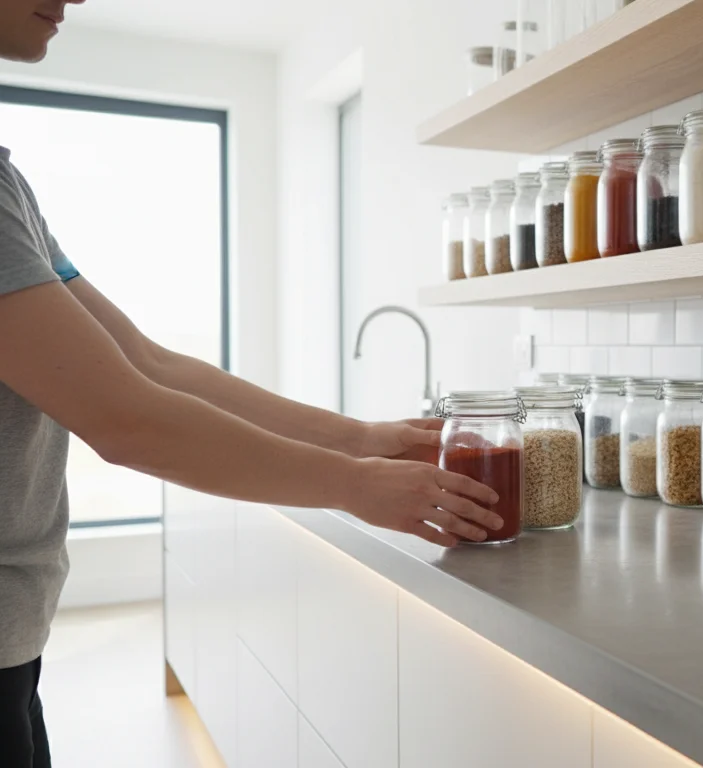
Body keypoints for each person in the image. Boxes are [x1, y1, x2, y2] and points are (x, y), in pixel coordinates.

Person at [0, 2, 504, 764]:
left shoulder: (12, 190)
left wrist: (362, 440)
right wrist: (353, 482)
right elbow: (125, 419)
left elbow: (145, 363)